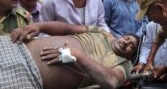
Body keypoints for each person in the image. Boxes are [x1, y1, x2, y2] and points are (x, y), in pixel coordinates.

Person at [5, 21, 139, 89]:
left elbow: (112, 81)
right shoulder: (101, 32)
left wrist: (77, 55)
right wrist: (39, 26)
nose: (127, 43)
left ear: (130, 55)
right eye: (127, 39)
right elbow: (68, 28)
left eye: (131, 47)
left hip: (28, 79)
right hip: (17, 47)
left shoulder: (124, 64)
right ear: (121, 36)